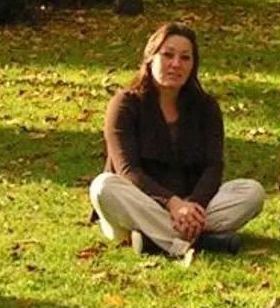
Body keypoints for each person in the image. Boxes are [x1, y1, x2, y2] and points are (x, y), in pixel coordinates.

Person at [90, 22, 266, 261]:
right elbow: (127, 170)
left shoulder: (205, 107)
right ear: (150, 58)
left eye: (185, 58)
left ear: (193, 65)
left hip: (191, 204)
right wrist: (172, 204)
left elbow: (213, 166)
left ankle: (157, 240)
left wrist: (193, 205)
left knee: (252, 192)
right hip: (139, 203)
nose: (176, 64)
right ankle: (202, 241)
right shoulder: (125, 104)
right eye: (168, 55)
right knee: (103, 187)